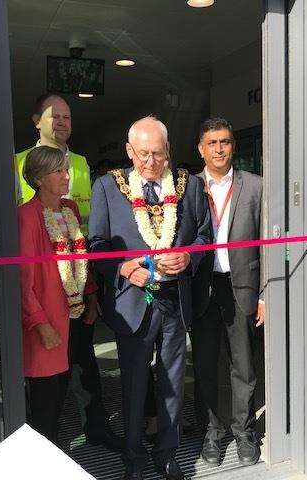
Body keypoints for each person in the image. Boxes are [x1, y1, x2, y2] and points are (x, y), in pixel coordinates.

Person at [89, 116, 211, 480]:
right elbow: (96, 246)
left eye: (158, 154)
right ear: (129, 151)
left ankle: (168, 454)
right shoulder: (108, 188)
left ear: (169, 150)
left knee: (173, 381)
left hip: (176, 300)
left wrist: (189, 257)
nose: (152, 162)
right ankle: (133, 458)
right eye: (143, 154)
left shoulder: (189, 186)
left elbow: (205, 237)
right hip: (132, 304)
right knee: (133, 384)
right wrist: (124, 269)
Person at [191, 117, 264, 467]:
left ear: (233, 146)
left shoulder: (256, 187)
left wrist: (264, 295)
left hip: (243, 287)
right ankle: (213, 430)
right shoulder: (188, 188)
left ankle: (244, 430)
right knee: (207, 363)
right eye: (212, 143)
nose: (219, 149)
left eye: (225, 142)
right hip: (204, 288)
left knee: (243, 365)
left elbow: (267, 245)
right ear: (201, 149)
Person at [18, 146, 100, 444]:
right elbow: (23, 282)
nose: (67, 176)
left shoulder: (71, 210)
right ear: (39, 178)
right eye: (59, 171)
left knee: (68, 388)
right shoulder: (27, 217)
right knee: (45, 403)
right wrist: (41, 323)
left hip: (74, 315)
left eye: (67, 169)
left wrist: (90, 298)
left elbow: (81, 261)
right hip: (47, 324)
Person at [14, 93, 91, 234]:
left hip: (78, 250)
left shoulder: (82, 163)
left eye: (66, 117)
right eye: (55, 117)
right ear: (37, 121)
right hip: (37, 249)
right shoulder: (17, 162)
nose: (62, 122)